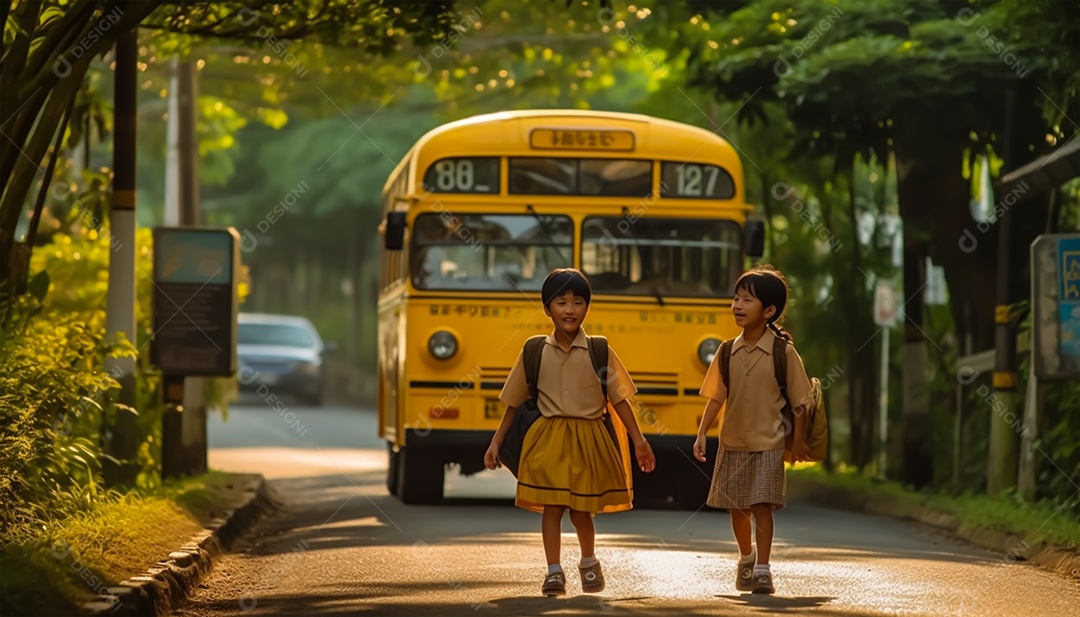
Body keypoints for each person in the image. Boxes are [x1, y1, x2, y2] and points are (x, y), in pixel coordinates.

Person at [484, 268, 657, 597]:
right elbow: (512, 401)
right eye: (561, 302)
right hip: (547, 438)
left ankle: (588, 562)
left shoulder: (599, 350)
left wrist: (639, 441)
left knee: (581, 510)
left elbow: (619, 400)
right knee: (552, 507)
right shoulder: (534, 350)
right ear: (547, 308)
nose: (570, 309)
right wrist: (496, 441)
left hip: (589, 438)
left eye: (578, 302)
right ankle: (553, 572)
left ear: (587, 308)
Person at [692, 264, 813, 595]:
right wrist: (702, 433)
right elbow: (716, 398)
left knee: (762, 505)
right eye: (736, 298)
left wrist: (798, 442)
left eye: (747, 300)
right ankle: (746, 557)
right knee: (738, 508)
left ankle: (763, 568)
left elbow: (801, 404)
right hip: (733, 442)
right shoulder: (726, 350)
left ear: (769, 311)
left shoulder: (783, 352)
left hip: (768, 442)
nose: (738, 305)